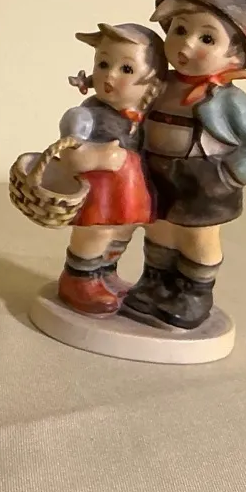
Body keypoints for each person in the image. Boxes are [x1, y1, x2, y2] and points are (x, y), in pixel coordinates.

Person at [123, 0, 246, 329]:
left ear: (235, 56)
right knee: (159, 228)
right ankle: (155, 282)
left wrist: (225, 177)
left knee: (198, 236)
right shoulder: (159, 84)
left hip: (203, 178)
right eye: (179, 30)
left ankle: (194, 292)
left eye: (207, 38)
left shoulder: (228, 100)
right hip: (155, 169)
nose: (186, 45)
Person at [54, 22, 167, 314]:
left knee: (123, 232)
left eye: (126, 69)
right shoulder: (85, 116)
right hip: (100, 194)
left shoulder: (145, 117)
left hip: (130, 191)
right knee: (98, 233)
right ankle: (79, 278)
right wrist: (98, 157)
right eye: (103, 64)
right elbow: (70, 158)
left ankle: (105, 273)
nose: (110, 75)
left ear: (153, 83)